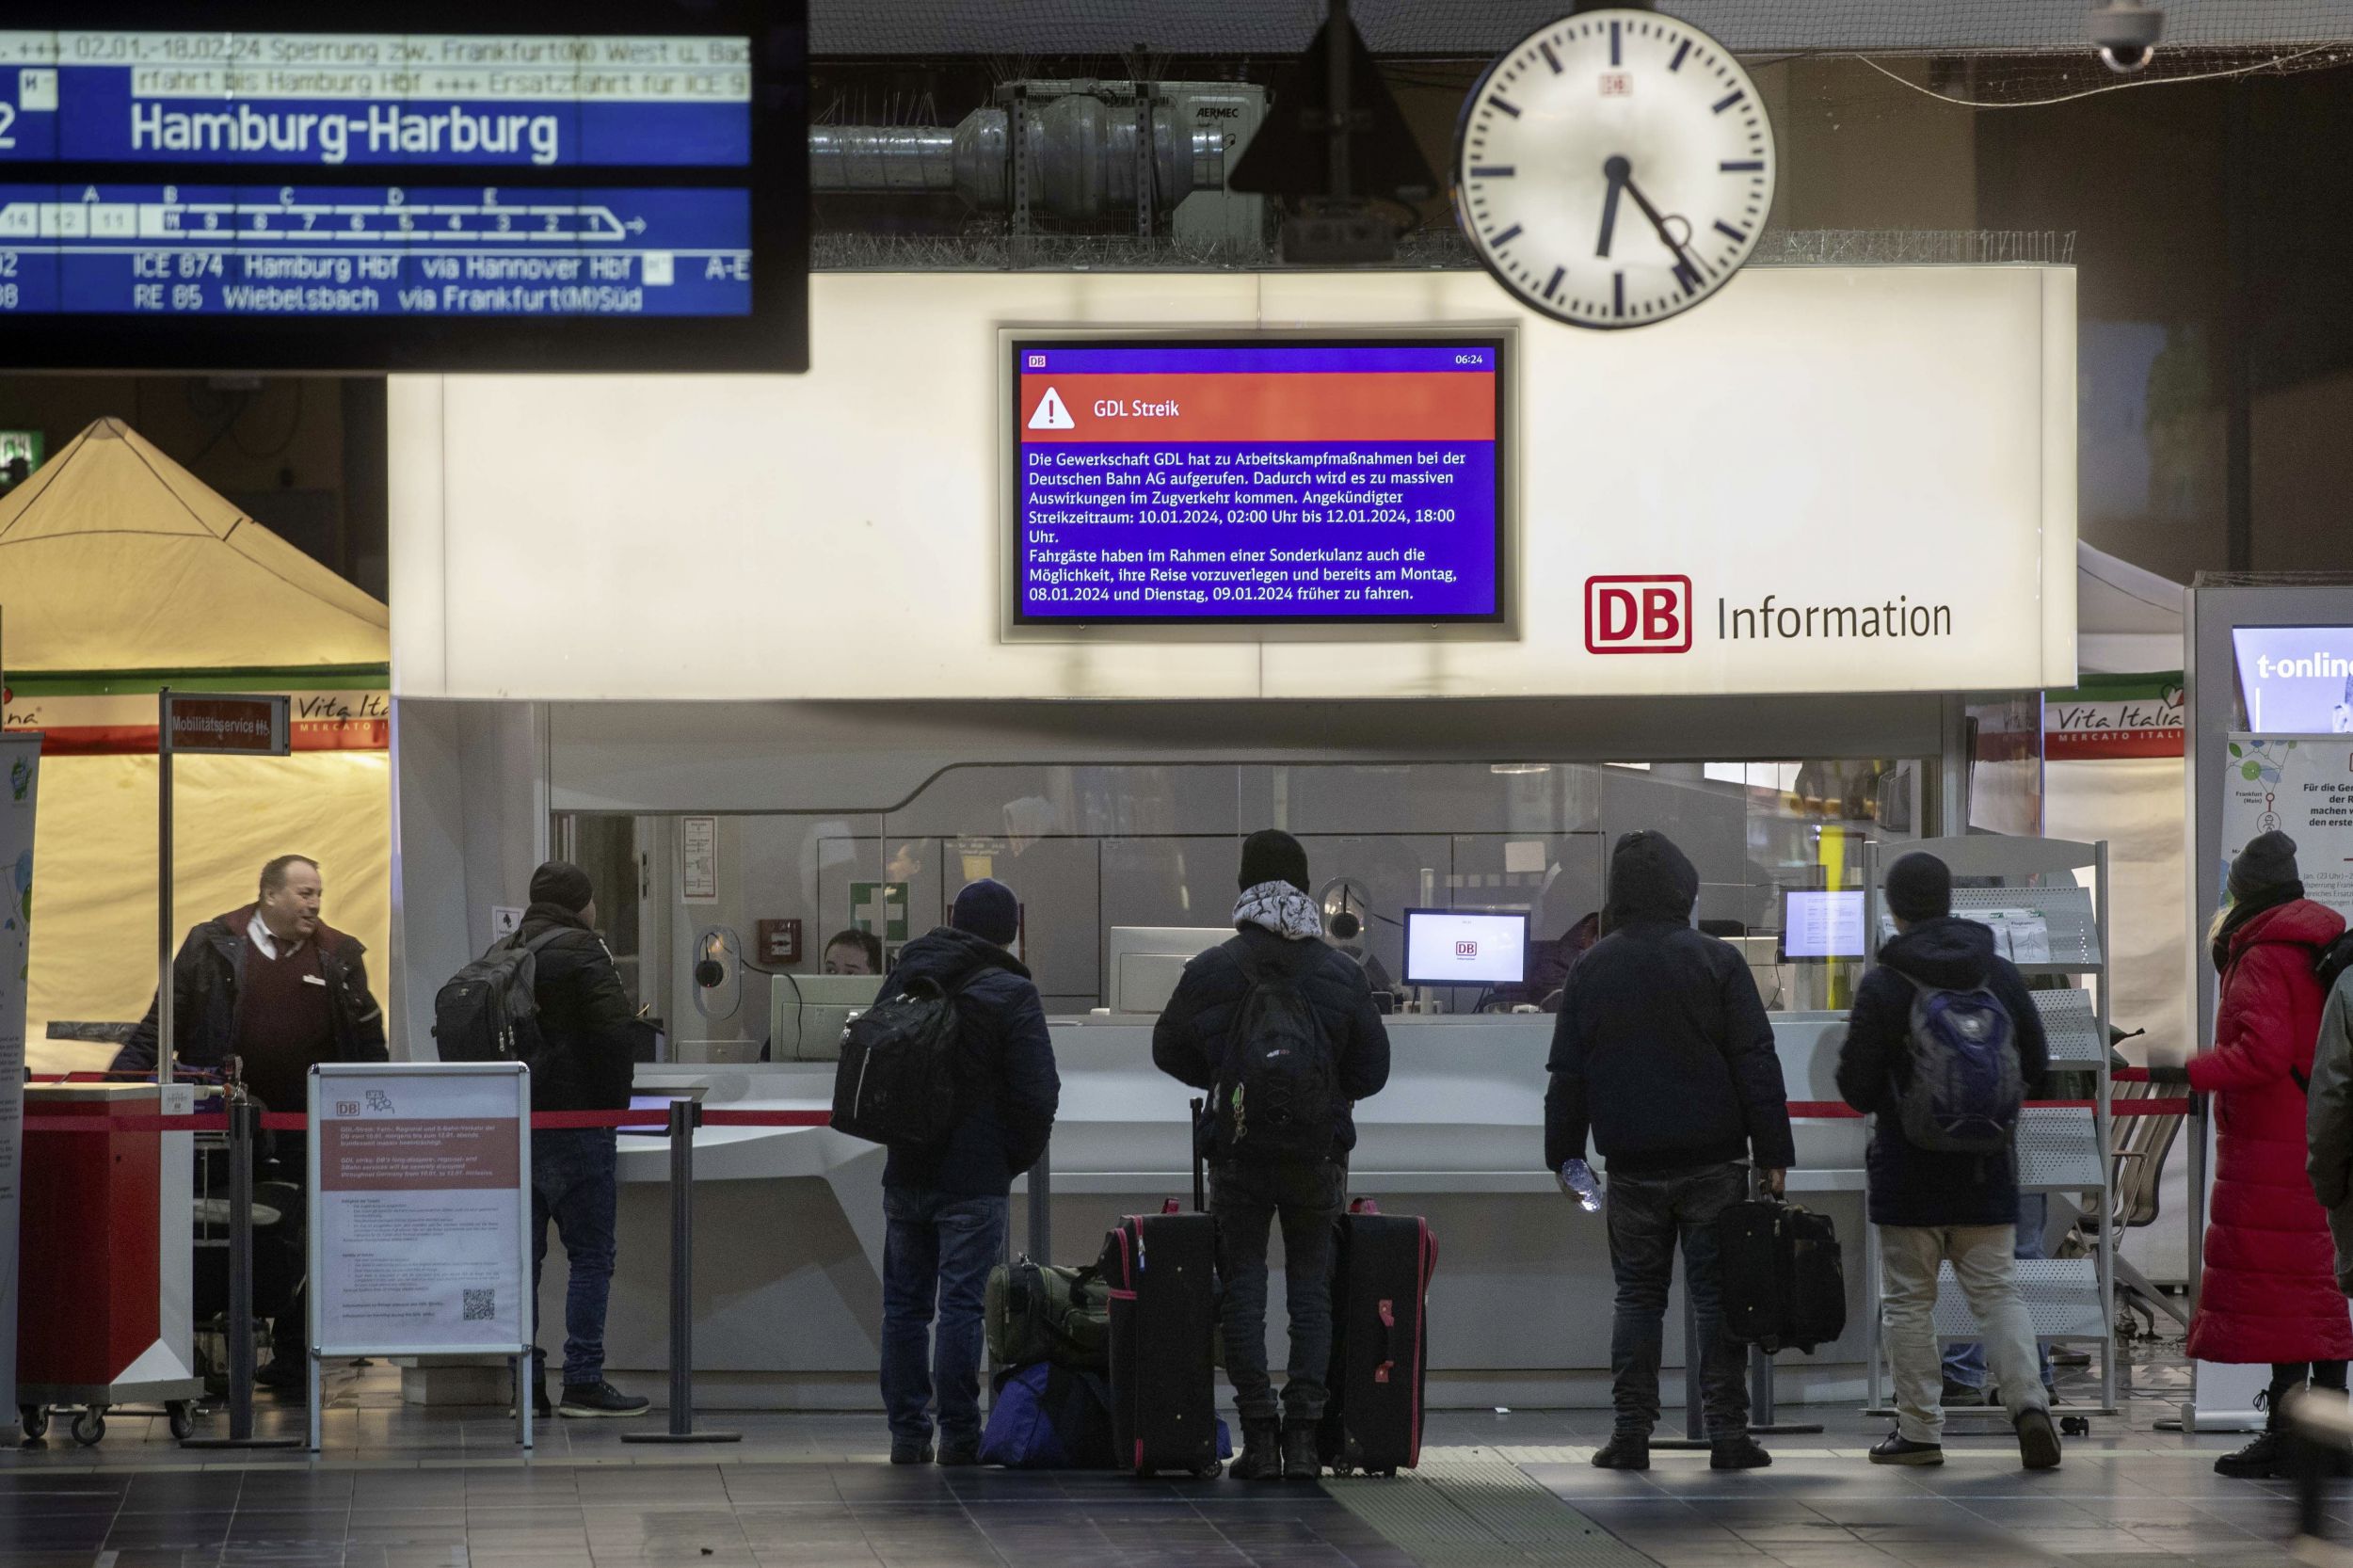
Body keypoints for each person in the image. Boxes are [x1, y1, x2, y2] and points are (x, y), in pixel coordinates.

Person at [1544, 830, 1791, 1473]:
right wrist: (1773, 1151)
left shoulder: (1592, 967)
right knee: (1717, 1300)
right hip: (1714, 1161)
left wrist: (1567, 1162)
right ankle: (1728, 1434)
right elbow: (1755, 1063)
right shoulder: (1717, 962)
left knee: (1637, 1298)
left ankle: (1631, 1433)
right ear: (1683, 890)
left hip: (1630, 1167)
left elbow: (1568, 1077)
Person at [1153, 829, 1392, 1481]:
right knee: (1312, 1289)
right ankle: (1306, 1440)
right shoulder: (1341, 971)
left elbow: (1166, 1050)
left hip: (1237, 1152)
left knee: (1244, 1286)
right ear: (1304, 885)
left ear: (1243, 885)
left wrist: (1226, 1079)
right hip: (1318, 1156)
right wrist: (1323, 1092)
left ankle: (1258, 1437)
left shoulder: (1211, 969)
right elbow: (1373, 1070)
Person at [114, 854, 385, 1391]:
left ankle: (292, 1354)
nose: (314, 903)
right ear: (269, 894)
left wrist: (374, 1107)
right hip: (218, 1130)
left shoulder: (339, 955)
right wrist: (116, 1090)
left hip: (308, 1127)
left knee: (308, 1234)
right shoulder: (210, 946)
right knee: (207, 1230)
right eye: (304, 893)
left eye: (318, 893)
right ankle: (192, 1349)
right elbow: (158, 1026)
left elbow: (368, 1042)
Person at [1834, 852, 2060, 1470]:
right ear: (1949, 900)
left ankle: (1920, 1432)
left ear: (1894, 907)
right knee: (1997, 1291)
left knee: (1910, 1300)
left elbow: (1855, 1087)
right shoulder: (1998, 973)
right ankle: (2029, 1407)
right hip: (1987, 1170)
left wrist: (1897, 1096)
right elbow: (2037, 1065)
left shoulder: (1886, 982)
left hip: (1908, 1173)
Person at [2164, 831, 2351, 1477]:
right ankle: (2324, 1435)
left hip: (2275, 1147)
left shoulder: (2265, 953)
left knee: (2290, 1295)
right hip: (2314, 1133)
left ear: (2243, 891)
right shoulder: (2318, 944)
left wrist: (2187, 1069)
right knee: (2312, 1291)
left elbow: (2262, 1053)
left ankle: (2292, 1436)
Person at [878, 878, 1060, 1465]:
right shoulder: (1011, 992)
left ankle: (907, 1433)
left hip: (907, 1166)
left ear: (953, 919)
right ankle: (959, 1434)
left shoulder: (908, 974)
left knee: (905, 1307)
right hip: (975, 1175)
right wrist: (1011, 1160)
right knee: (962, 1305)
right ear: (1012, 932)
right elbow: (1038, 1095)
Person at [514, 861, 650, 1419]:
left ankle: (524, 1381)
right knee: (591, 1256)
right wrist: (612, 1111)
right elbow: (615, 1033)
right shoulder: (584, 949)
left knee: (525, 1261)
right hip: (576, 1127)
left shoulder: (508, 950)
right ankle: (584, 1379)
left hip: (518, 1125)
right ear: (582, 903)